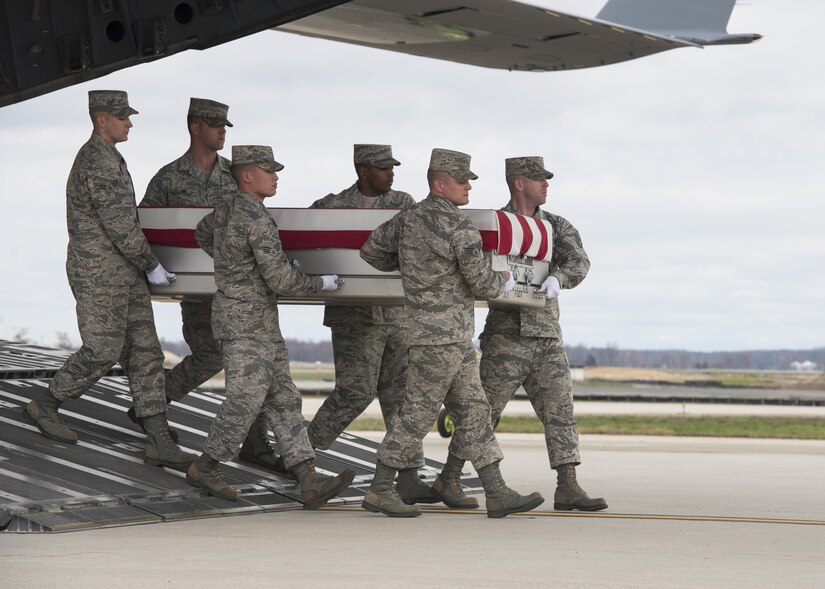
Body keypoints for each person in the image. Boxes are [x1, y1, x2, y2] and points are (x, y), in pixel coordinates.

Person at [359, 148, 544, 518]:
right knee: (418, 413)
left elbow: (371, 252)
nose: (468, 187)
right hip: (443, 338)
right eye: (461, 181)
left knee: (476, 411)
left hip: (441, 336)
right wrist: (504, 280)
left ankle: (496, 490)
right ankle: (379, 487)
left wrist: (412, 267)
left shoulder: (407, 219)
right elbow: (482, 282)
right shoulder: (458, 226)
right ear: (439, 183)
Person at [25, 90, 195, 470]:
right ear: (101, 119)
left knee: (146, 352)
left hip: (124, 271)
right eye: (122, 117)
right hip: (99, 271)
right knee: (102, 349)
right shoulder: (97, 161)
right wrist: (151, 263)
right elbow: (119, 223)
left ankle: (158, 438)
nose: (129, 122)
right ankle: (47, 404)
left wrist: (142, 267)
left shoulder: (111, 158)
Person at [187, 145, 354, 506]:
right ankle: (207, 466)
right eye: (269, 170)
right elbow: (281, 280)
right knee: (245, 399)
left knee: (283, 400)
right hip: (246, 324)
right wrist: (320, 284)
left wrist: (232, 269)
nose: (276, 176)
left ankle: (308, 479)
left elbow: (202, 234)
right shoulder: (257, 220)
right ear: (247, 175)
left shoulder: (227, 211)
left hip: (255, 321)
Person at [138, 98, 279, 471]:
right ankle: (151, 404)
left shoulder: (237, 177)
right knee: (212, 357)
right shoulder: (168, 178)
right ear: (194, 127)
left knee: (254, 367)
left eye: (225, 124)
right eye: (214, 123)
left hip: (235, 290)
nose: (222, 130)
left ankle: (256, 440)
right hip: (195, 291)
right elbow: (148, 228)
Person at [478, 156, 607, 511]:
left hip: (546, 335)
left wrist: (558, 278)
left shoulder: (555, 226)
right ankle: (450, 477)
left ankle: (567, 486)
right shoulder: (494, 225)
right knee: (483, 413)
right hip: (505, 335)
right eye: (539, 179)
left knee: (560, 410)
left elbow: (579, 261)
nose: (546, 184)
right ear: (519, 182)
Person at [305, 144, 433, 504]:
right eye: (382, 168)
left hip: (397, 313)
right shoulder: (331, 207)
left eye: (392, 166)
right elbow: (308, 240)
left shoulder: (404, 203)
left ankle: (408, 477)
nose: (390, 173)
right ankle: (300, 457)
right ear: (363, 171)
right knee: (355, 391)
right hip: (355, 316)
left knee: (400, 396)